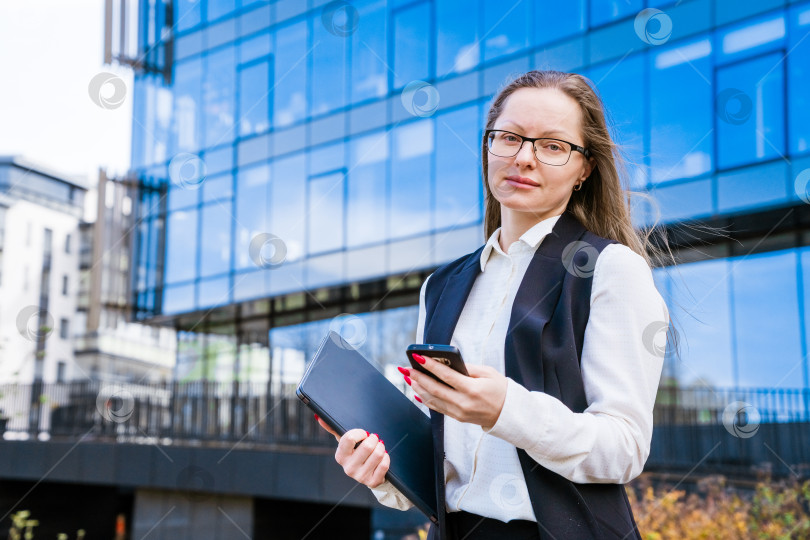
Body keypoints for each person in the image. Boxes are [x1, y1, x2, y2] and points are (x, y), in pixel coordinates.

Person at [316, 70, 676, 540]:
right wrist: (381, 469)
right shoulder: (441, 286)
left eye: (552, 145)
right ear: (488, 147)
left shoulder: (612, 270)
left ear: (584, 168)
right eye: (509, 138)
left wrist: (506, 409)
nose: (524, 157)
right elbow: (446, 464)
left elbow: (623, 449)